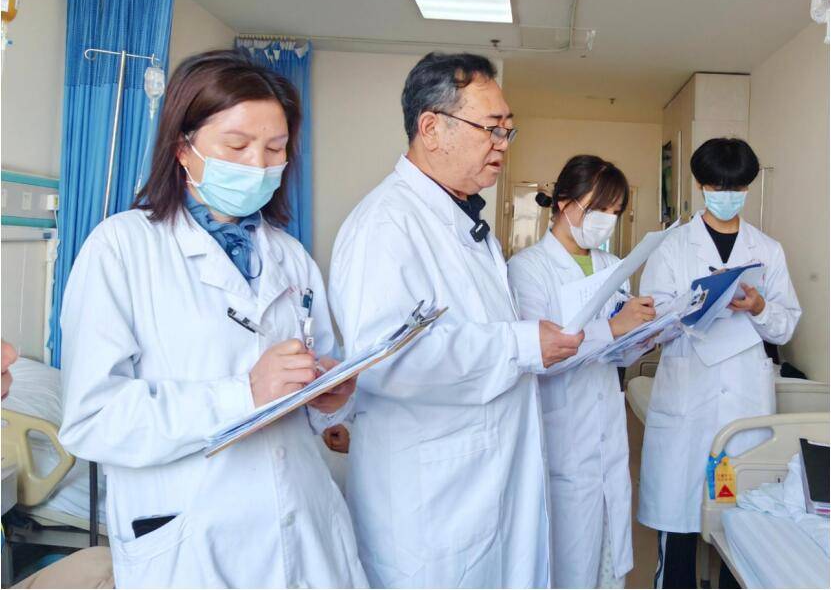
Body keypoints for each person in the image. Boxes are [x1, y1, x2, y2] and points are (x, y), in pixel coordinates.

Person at [58, 50, 367, 589]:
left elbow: (316, 380)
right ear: (183, 147)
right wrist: (242, 394)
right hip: (192, 539)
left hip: (302, 521)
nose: (258, 164)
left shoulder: (290, 256)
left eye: (275, 148)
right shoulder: (121, 249)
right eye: (237, 146)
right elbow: (93, 420)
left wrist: (329, 397)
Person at [328, 52, 584, 588]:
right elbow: (388, 360)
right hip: (432, 509)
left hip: (478, 487)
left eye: (508, 130)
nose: (503, 144)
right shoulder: (386, 224)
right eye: (491, 128)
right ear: (431, 129)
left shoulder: (464, 221)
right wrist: (520, 345)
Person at [638, 138, 802, 588]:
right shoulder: (672, 247)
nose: (726, 195)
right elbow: (650, 323)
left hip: (744, 403)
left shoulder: (767, 250)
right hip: (687, 399)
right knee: (679, 530)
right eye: (717, 186)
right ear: (701, 185)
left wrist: (758, 307)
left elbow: (785, 327)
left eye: (736, 187)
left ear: (747, 188)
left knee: (741, 530)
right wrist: (698, 304)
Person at [508, 155, 656, 589]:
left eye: (615, 211)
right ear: (564, 202)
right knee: (567, 564)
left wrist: (642, 335)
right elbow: (539, 355)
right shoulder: (528, 268)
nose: (607, 220)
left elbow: (617, 356)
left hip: (607, 428)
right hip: (563, 433)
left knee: (608, 562)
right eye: (599, 209)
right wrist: (613, 328)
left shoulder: (613, 265)